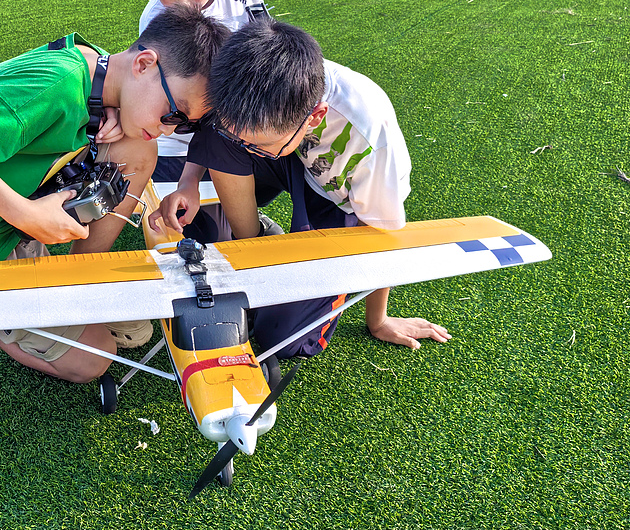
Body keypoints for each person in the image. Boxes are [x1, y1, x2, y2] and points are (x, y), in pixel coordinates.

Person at [0, 5, 230, 383]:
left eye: (184, 125)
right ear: (144, 64)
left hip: (3, 220)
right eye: (173, 114)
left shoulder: (101, 73)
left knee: (138, 149)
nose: (168, 130)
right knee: (94, 359)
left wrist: (104, 112)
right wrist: (26, 215)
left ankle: (78, 277)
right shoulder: (58, 83)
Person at [151, 18, 451, 357]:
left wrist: (378, 320)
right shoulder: (244, 78)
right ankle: (253, 246)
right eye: (242, 140)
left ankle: (268, 247)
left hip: (336, 199)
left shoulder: (369, 140)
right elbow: (216, 130)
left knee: (284, 339)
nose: (250, 150)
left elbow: (380, 236)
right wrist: (189, 181)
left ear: (316, 116)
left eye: (262, 145)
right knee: (226, 142)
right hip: (290, 159)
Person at [137, 0, 272, 241]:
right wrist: (189, 179)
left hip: (235, 132)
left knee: (239, 223)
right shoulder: (154, 23)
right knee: (196, 236)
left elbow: (264, 56)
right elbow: (184, 114)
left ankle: (250, 215)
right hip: (180, 144)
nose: (183, 4)